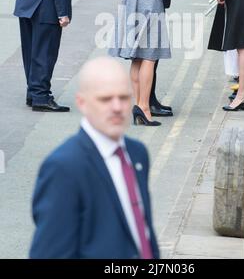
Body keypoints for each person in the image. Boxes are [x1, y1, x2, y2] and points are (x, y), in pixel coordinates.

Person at [30, 57, 160, 259]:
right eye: (105, 99)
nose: (117, 107)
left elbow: (143, 234)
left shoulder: (138, 153)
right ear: (82, 102)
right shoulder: (63, 167)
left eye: (124, 98)